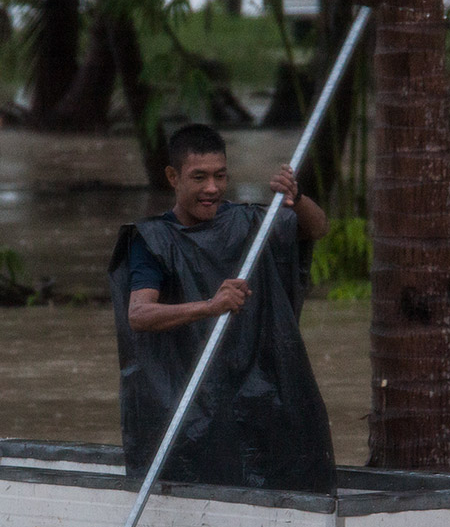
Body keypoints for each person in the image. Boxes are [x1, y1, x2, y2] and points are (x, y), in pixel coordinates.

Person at [108, 124, 336, 492]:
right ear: (173, 177)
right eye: (199, 177)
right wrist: (210, 306)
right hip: (189, 404)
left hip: (257, 393)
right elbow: (139, 314)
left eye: (220, 175)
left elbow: (316, 228)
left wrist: (297, 197)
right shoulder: (151, 241)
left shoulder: (247, 222)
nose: (212, 188)